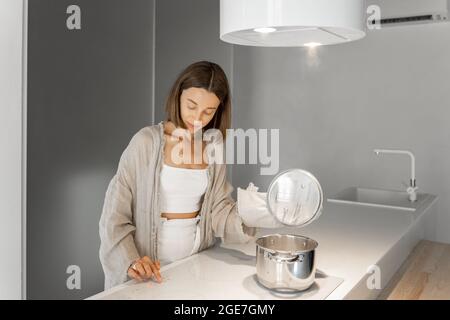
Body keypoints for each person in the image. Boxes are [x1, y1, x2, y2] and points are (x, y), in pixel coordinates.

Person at [99, 61, 257, 290]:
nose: (198, 118)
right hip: (149, 274)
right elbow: (114, 217)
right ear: (178, 95)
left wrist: (255, 214)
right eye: (191, 105)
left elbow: (218, 210)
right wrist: (131, 260)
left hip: (194, 268)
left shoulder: (213, 147)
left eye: (208, 111)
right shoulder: (145, 142)